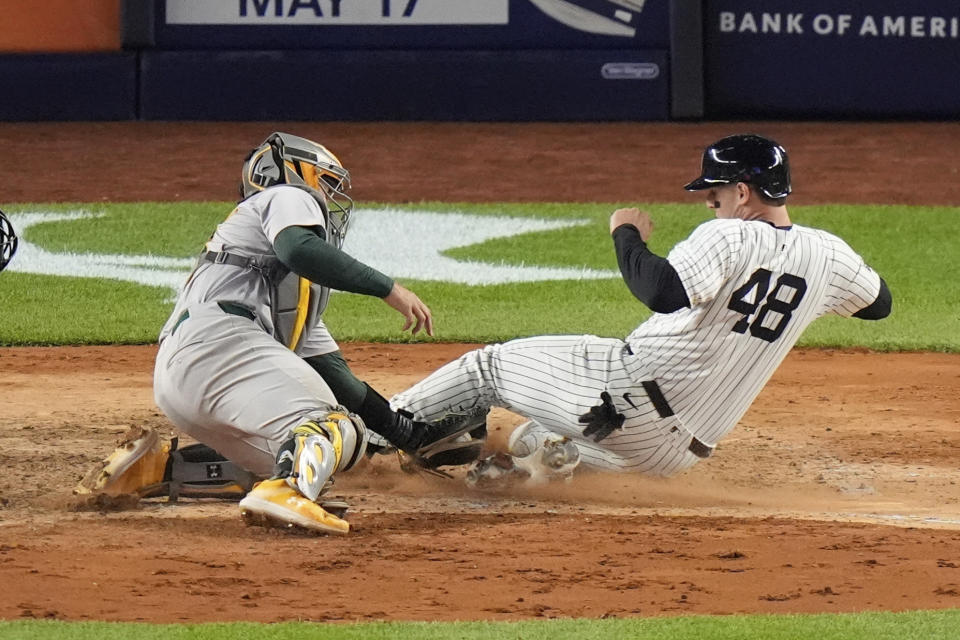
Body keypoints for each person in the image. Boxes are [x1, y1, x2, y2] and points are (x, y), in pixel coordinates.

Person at [390, 134, 893, 486]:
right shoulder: (829, 254)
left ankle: (371, 432)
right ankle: (536, 469)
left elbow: (662, 293)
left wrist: (625, 233)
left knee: (487, 368)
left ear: (742, 191)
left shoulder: (729, 233)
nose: (708, 203)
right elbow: (879, 305)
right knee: (533, 438)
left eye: (714, 192)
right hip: (673, 456)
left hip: (626, 395)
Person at [76, 132, 483, 533]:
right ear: (295, 171)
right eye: (325, 181)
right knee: (328, 424)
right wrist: (388, 288)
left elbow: (336, 377)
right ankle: (288, 491)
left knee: (316, 452)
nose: (328, 196)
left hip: (193, 368)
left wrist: (406, 434)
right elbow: (298, 248)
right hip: (221, 344)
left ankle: (155, 467)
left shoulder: (289, 294)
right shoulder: (283, 195)